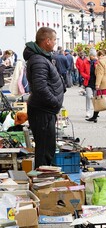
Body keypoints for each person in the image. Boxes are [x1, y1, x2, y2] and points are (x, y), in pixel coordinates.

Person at [23, 27, 65, 169]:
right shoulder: (39, 60)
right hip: (43, 110)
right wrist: (54, 102)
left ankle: (45, 176)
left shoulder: (41, 58)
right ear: (47, 41)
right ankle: (43, 179)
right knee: (45, 149)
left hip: (45, 109)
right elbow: (40, 88)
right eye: (53, 40)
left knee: (47, 147)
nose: (54, 43)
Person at [86, 50, 106, 123]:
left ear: (100, 55)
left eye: (97, 56)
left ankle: (94, 117)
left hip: (104, 84)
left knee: (99, 100)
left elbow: (99, 74)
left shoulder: (101, 62)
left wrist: (97, 84)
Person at [80, 48, 98, 118]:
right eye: (92, 56)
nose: (94, 57)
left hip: (96, 82)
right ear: (90, 56)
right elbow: (81, 72)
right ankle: (88, 111)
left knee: (95, 98)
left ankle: (95, 111)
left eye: (95, 55)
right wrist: (86, 76)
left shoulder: (97, 62)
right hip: (88, 82)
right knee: (88, 96)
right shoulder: (85, 62)